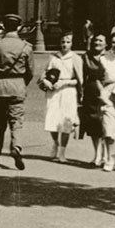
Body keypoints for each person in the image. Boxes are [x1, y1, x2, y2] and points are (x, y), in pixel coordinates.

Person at [0, 13, 34, 169]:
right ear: (18, 27)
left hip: (0, 86)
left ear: (4, 26)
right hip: (18, 86)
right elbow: (30, 71)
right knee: (16, 122)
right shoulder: (26, 46)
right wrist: (21, 82)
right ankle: (16, 148)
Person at [39, 30, 83, 162]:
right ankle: (55, 143)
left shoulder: (76, 58)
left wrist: (65, 83)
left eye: (68, 42)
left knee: (66, 121)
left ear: (72, 43)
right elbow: (44, 73)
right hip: (53, 92)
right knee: (53, 119)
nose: (65, 44)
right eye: (63, 42)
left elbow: (79, 80)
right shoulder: (53, 57)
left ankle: (62, 152)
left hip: (68, 92)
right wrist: (45, 81)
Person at [79, 33, 107, 166]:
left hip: (108, 93)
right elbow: (81, 76)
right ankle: (97, 155)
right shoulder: (86, 57)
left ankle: (107, 156)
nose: (97, 43)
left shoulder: (111, 57)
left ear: (106, 44)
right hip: (91, 93)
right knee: (94, 125)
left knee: (107, 125)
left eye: (101, 41)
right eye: (96, 40)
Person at [99, 28, 115, 172]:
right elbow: (98, 79)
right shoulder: (104, 59)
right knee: (109, 129)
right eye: (113, 42)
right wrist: (103, 95)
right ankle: (110, 158)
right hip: (108, 97)